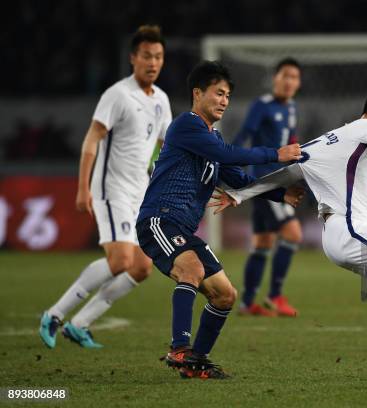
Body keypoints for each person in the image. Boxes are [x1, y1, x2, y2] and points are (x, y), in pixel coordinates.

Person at [210, 82, 367, 379]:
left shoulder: (331, 139)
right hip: (350, 230)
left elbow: (292, 169)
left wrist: (241, 194)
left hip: (338, 235)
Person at [135, 61, 303, 379]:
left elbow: (237, 179)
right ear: (198, 94)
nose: (224, 100)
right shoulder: (186, 125)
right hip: (159, 220)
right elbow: (229, 155)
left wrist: (282, 196)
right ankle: (179, 348)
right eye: (218, 93)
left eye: (227, 95)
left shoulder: (211, 139)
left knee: (226, 295)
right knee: (192, 269)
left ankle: (196, 362)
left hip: (182, 229)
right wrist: (275, 154)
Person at [40, 25, 172, 349]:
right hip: (110, 187)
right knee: (120, 261)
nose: (152, 62)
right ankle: (54, 315)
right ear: (133, 58)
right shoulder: (117, 94)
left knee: (142, 267)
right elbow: (91, 140)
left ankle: (80, 324)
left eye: (157, 57)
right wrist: (82, 187)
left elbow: (160, 144)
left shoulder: (161, 100)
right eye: (146, 56)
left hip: (140, 191)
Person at [233, 58, 302, 317]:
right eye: (285, 75)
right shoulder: (261, 106)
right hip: (265, 181)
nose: (289, 82)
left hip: (279, 179)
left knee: (263, 241)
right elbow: (244, 136)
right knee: (292, 233)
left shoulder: (291, 108)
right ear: (274, 78)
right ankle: (274, 296)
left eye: (294, 77)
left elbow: (292, 140)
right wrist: (229, 160)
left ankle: (247, 303)